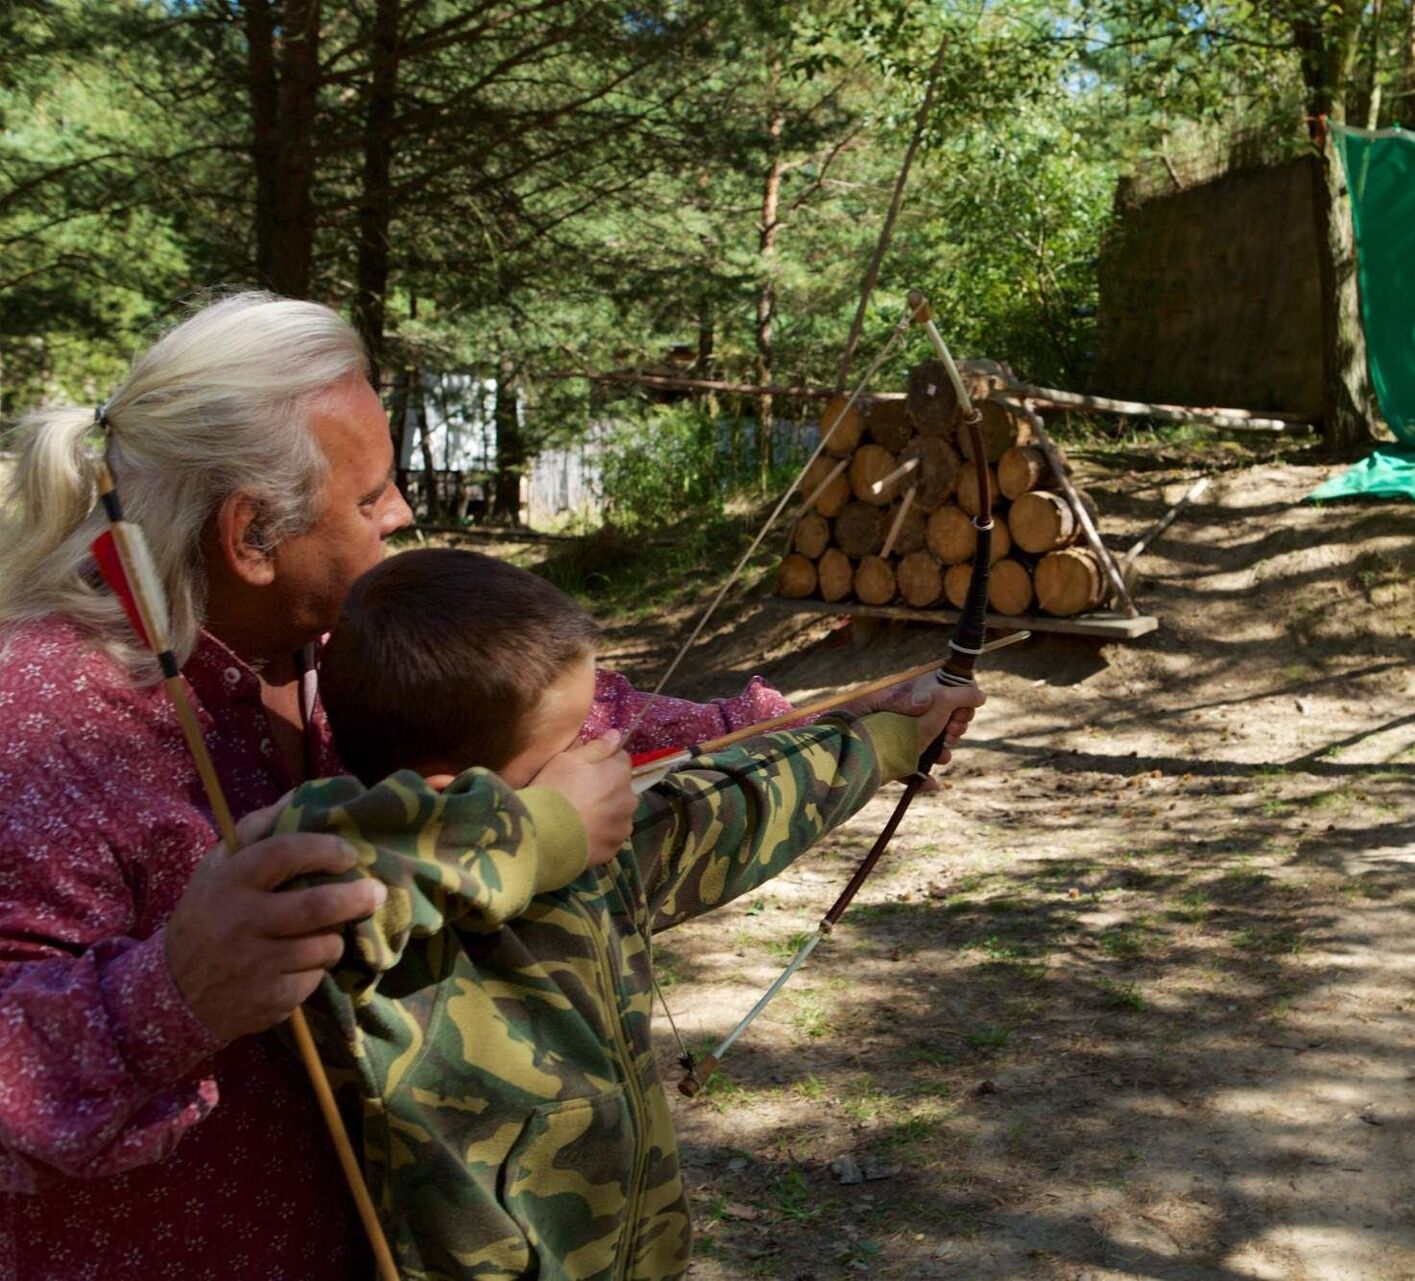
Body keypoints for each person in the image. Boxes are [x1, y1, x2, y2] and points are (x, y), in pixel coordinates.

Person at [0, 292, 822, 1277]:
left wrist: (793, 721)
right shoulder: (42, 723)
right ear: (251, 534)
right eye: (370, 497)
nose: (401, 515)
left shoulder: (331, 642)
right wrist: (175, 989)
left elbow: (578, 717)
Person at [276, 547, 979, 1279]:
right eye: (572, 747)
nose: (608, 755)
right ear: (459, 789)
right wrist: (542, 830)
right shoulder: (360, 924)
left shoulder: (594, 862)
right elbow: (309, 869)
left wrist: (895, 733)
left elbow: (736, 804)